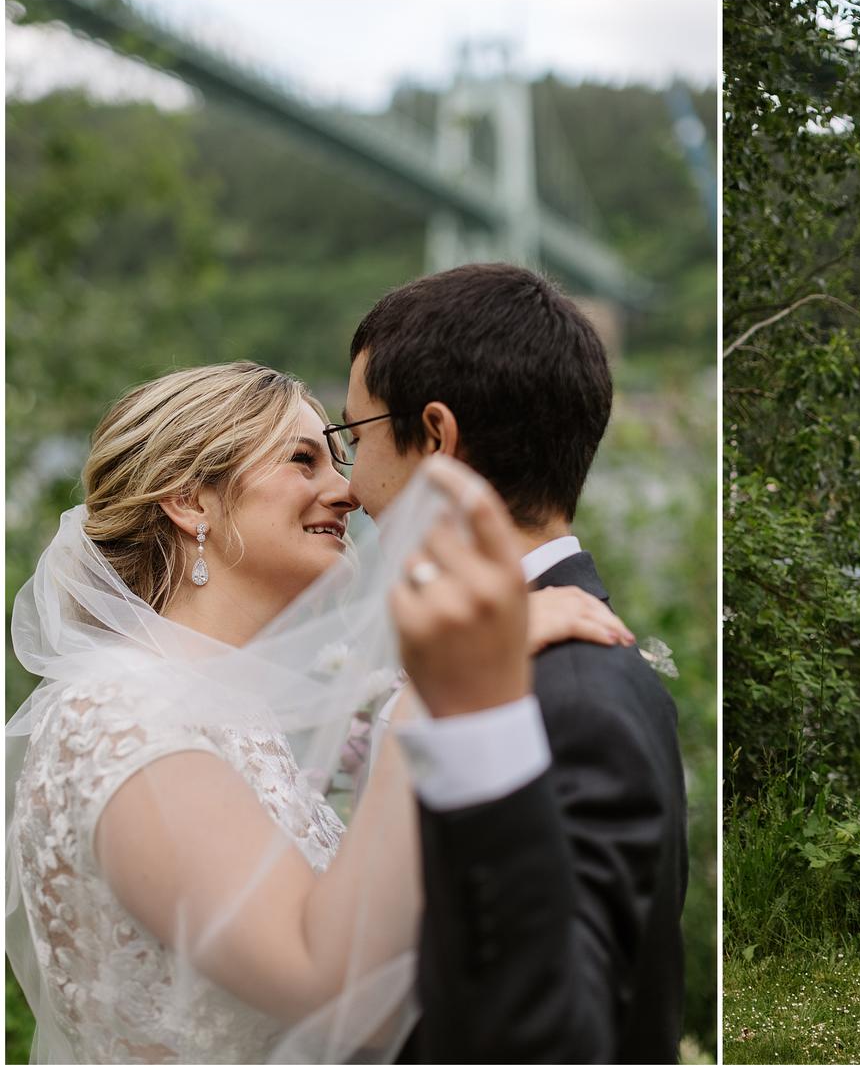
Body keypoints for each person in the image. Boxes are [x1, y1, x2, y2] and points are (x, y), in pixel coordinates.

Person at [5, 362, 627, 1063]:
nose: (349, 490)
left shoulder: (222, 710)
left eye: (339, 457)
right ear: (190, 500)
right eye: (304, 460)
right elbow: (325, 982)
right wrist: (438, 689)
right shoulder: (118, 713)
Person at [335, 262, 689, 1063]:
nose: (350, 487)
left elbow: (549, 1038)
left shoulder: (563, 699)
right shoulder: (586, 664)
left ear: (435, 435)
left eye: (354, 439)